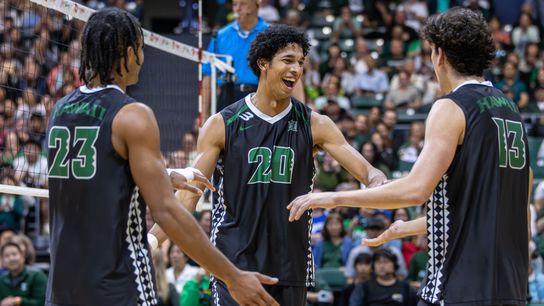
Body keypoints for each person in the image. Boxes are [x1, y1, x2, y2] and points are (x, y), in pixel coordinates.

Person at [288, 7, 531, 305]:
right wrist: (406, 228)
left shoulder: (452, 107)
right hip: (511, 286)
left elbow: (416, 190)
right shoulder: (511, 110)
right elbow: (497, 207)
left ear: (439, 54)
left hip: (458, 284)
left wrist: (329, 198)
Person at [45, 8, 278, 306]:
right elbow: (167, 213)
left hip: (63, 287)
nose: (143, 58)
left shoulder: (60, 110)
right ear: (129, 53)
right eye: (141, 49)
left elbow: (93, 173)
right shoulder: (133, 115)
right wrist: (232, 276)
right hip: (118, 283)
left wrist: (164, 176)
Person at [162, 24, 386, 305]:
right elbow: (188, 196)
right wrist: (155, 239)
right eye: (288, 60)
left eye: (301, 62)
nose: (296, 69)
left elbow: (367, 171)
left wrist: (379, 181)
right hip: (233, 262)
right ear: (263, 63)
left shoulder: (315, 124)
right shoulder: (221, 124)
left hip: (289, 264)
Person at [201, 0, 304, 120]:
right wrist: (203, 115)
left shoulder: (272, 35)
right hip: (228, 97)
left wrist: (303, 112)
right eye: (235, 4)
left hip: (262, 96)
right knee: (226, 137)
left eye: (243, 4)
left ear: (257, 4)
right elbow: (208, 75)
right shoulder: (220, 36)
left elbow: (290, 71)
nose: (238, 8)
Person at [349, 249, 417, 306]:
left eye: (385, 262)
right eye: (378, 262)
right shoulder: (364, 287)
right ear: (373, 266)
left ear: (394, 265)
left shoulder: (406, 287)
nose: (381, 266)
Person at [0, 242, 47, 306]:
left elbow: (41, 303)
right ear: (2, 260)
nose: (11, 258)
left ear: (23, 257)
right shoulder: (1, 279)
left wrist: (18, 301)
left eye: (14, 254)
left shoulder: (37, 276)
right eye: (7, 256)